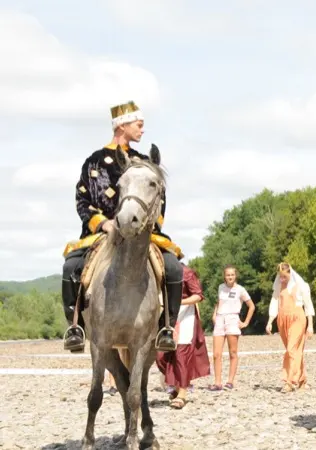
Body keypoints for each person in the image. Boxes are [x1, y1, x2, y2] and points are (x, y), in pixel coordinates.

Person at [61, 100, 183, 353]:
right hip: (104, 233)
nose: (142, 130)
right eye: (139, 125)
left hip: (140, 233)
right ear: (122, 125)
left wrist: (149, 226)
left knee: (173, 268)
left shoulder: (144, 162)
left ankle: (165, 327)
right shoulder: (94, 162)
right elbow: (83, 199)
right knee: (71, 266)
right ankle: (76, 327)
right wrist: (102, 224)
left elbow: (159, 201)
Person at [155, 263, 211, 409]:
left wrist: (179, 302)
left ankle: (182, 393)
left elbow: (198, 295)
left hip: (186, 317)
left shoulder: (186, 272)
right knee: (161, 356)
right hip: (167, 317)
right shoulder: (158, 272)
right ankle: (175, 386)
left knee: (181, 356)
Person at [266, 263, 315, 392]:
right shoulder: (279, 287)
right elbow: (275, 302)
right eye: (280, 276)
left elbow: (308, 305)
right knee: (295, 351)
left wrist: (310, 325)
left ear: (290, 274)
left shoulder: (301, 286)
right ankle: (302, 379)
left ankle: (289, 381)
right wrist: (270, 321)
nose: (282, 279)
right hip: (282, 319)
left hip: (297, 318)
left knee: (291, 349)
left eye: (284, 276)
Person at [210, 265, 255, 391]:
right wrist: (214, 314)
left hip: (232, 319)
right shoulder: (220, 287)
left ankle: (230, 381)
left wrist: (245, 322)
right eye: (228, 275)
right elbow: (219, 302)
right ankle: (217, 382)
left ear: (235, 276)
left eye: (232, 275)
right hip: (220, 319)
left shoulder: (240, 289)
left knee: (233, 352)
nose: (230, 277)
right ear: (224, 276)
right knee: (216, 354)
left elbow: (251, 306)